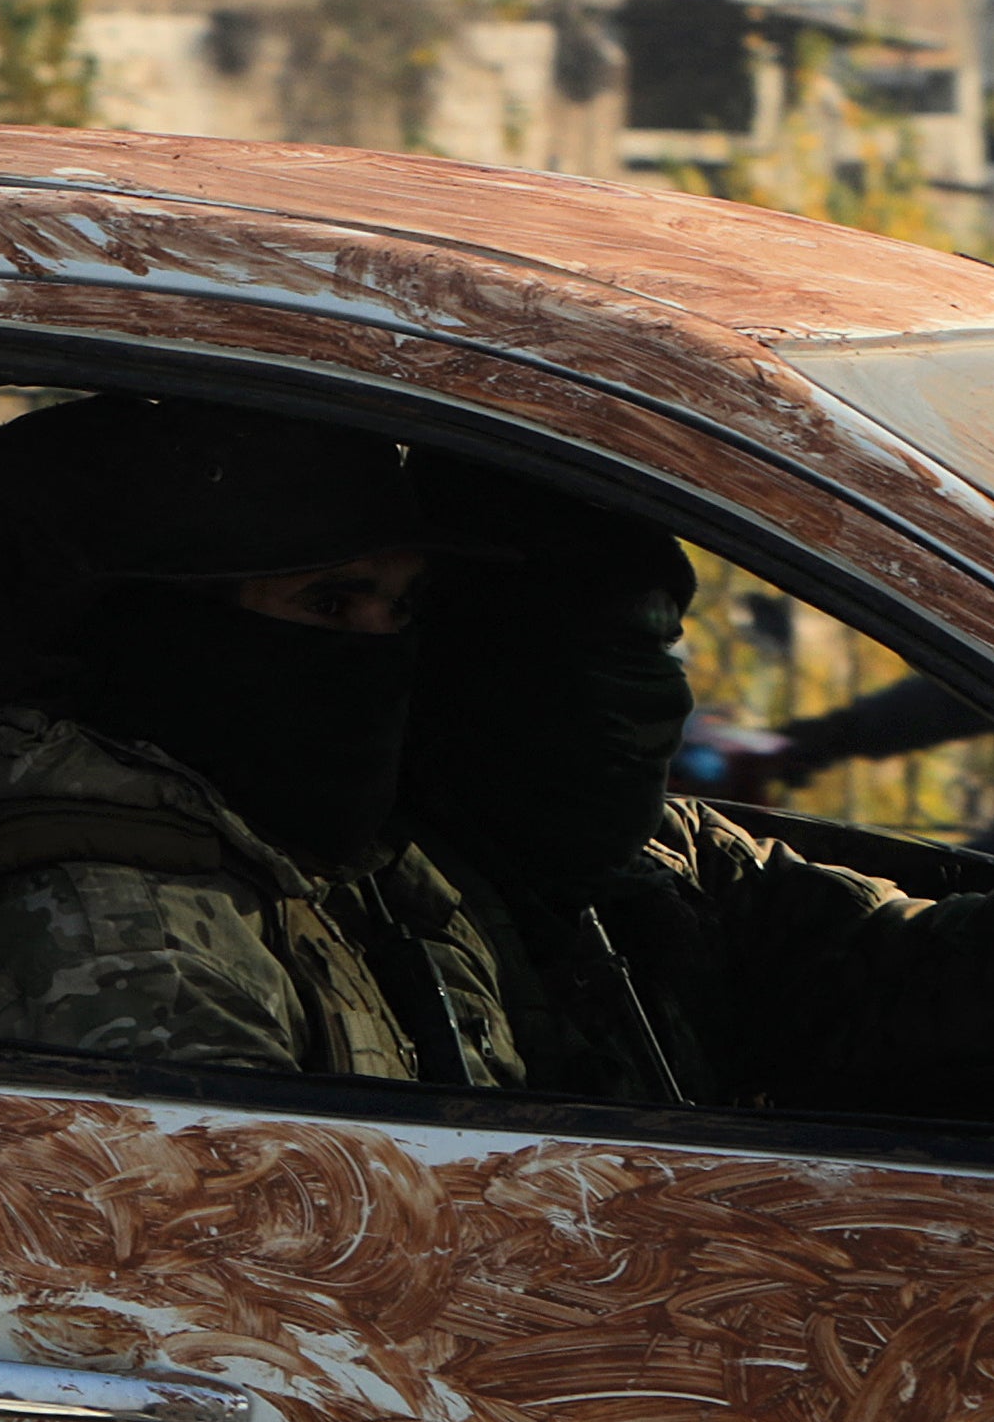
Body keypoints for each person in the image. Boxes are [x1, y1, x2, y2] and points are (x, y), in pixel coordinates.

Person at [0, 396, 522, 1085]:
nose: (383, 647)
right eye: (329, 604)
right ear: (174, 636)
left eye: (402, 607)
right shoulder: (132, 952)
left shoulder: (343, 876)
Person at [405, 464, 994, 1117]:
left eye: (662, 649)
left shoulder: (677, 862)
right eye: (611, 648)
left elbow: (893, 964)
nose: (665, 696)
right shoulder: (377, 892)